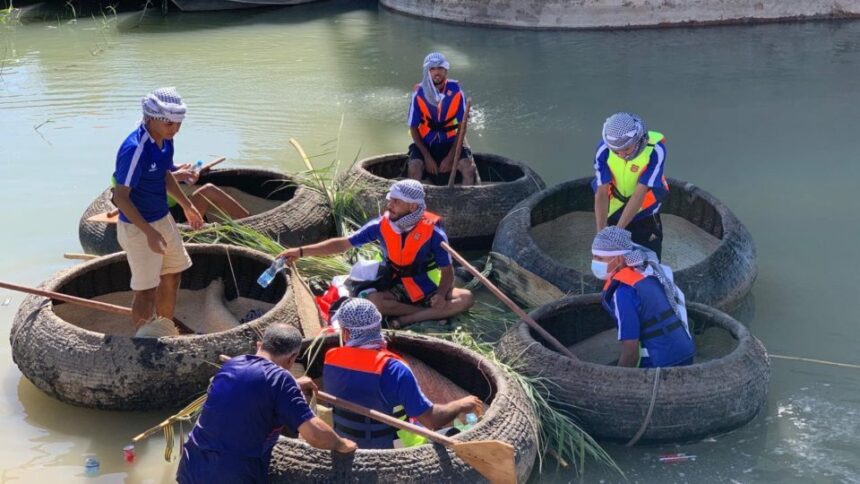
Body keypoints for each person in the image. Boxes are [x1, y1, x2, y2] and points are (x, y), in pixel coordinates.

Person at [279, 179, 474, 328]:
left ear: (413, 207)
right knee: (375, 302)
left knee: (466, 298)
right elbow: (343, 244)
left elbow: (447, 272)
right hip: (395, 283)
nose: (389, 205)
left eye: (396, 202)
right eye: (390, 200)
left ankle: (408, 319)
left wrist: (440, 295)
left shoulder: (433, 232)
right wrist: (301, 251)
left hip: (426, 285)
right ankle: (427, 314)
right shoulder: (381, 226)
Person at [177, 324, 356, 484]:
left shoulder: (233, 364)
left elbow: (254, 387)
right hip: (232, 475)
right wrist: (341, 444)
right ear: (292, 358)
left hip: (191, 464)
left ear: (259, 345)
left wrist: (296, 384)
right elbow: (315, 435)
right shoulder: (281, 380)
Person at [323, 298, 484, 449]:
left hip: (346, 440)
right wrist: (460, 405)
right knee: (455, 432)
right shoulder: (394, 369)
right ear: (377, 327)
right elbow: (431, 420)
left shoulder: (330, 359)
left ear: (346, 333)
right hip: (393, 447)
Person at [111, 87, 204, 332]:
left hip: (162, 217)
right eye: (169, 124)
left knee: (173, 275)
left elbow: (165, 175)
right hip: (138, 226)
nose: (175, 130)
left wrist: (188, 205)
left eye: (178, 124)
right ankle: (144, 342)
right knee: (146, 290)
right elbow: (121, 198)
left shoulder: (166, 141)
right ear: (151, 119)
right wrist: (149, 233)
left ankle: (164, 329)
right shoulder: (135, 149)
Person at [591, 226, 695, 368]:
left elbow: (630, 351)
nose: (594, 261)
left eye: (600, 258)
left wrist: (618, 382)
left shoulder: (623, 293)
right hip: (686, 352)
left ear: (620, 259)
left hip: (660, 363)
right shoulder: (646, 272)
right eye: (594, 256)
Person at [592, 112, 669, 259]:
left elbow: (640, 193)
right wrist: (601, 235)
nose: (622, 155)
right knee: (613, 257)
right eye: (616, 151)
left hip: (644, 210)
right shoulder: (603, 149)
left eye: (626, 149)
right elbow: (601, 193)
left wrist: (618, 232)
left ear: (639, 139)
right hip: (614, 206)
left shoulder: (656, 150)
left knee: (648, 255)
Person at [407, 52, 477, 185]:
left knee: (469, 169)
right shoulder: (418, 94)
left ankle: (467, 202)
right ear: (427, 72)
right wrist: (427, 157)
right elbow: (413, 128)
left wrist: (450, 157)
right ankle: (415, 203)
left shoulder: (456, 92)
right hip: (425, 144)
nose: (436, 72)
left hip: (450, 143)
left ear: (446, 71)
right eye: (432, 69)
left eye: (440, 68)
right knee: (414, 168)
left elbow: (462, 127)